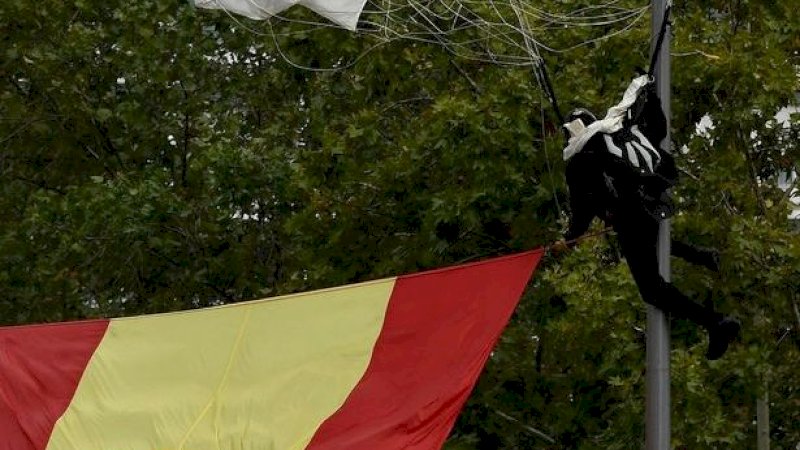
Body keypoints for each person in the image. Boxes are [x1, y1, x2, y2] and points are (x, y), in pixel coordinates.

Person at [553, 75, 739, 360]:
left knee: (652, 290)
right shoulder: (618, 134)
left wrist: (569, 240)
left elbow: (583, 208)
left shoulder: (580, 158)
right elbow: (658, 131)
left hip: (629, 215)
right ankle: (703, 257)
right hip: (651, 203)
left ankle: (714, 323)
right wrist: (654, 99)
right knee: (651, 238)